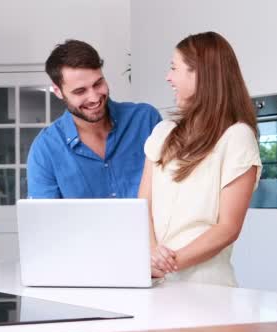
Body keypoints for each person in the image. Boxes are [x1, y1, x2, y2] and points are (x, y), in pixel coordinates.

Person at [139, 31, 262, 286]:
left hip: (206, 286)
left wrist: (168, 264)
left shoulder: (237, 137)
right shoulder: (162, 133)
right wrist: (151, 256)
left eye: (174, 68)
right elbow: (143, 206)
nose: (168, 77)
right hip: (153, 282)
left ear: (199, 74)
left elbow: (228, 227)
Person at [27, 39, 161, 199]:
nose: (94, 98)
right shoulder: (45, 149)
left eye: (98, 83)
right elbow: (44, 220)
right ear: (58, 91)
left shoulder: (146, 121)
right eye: (80, 91)